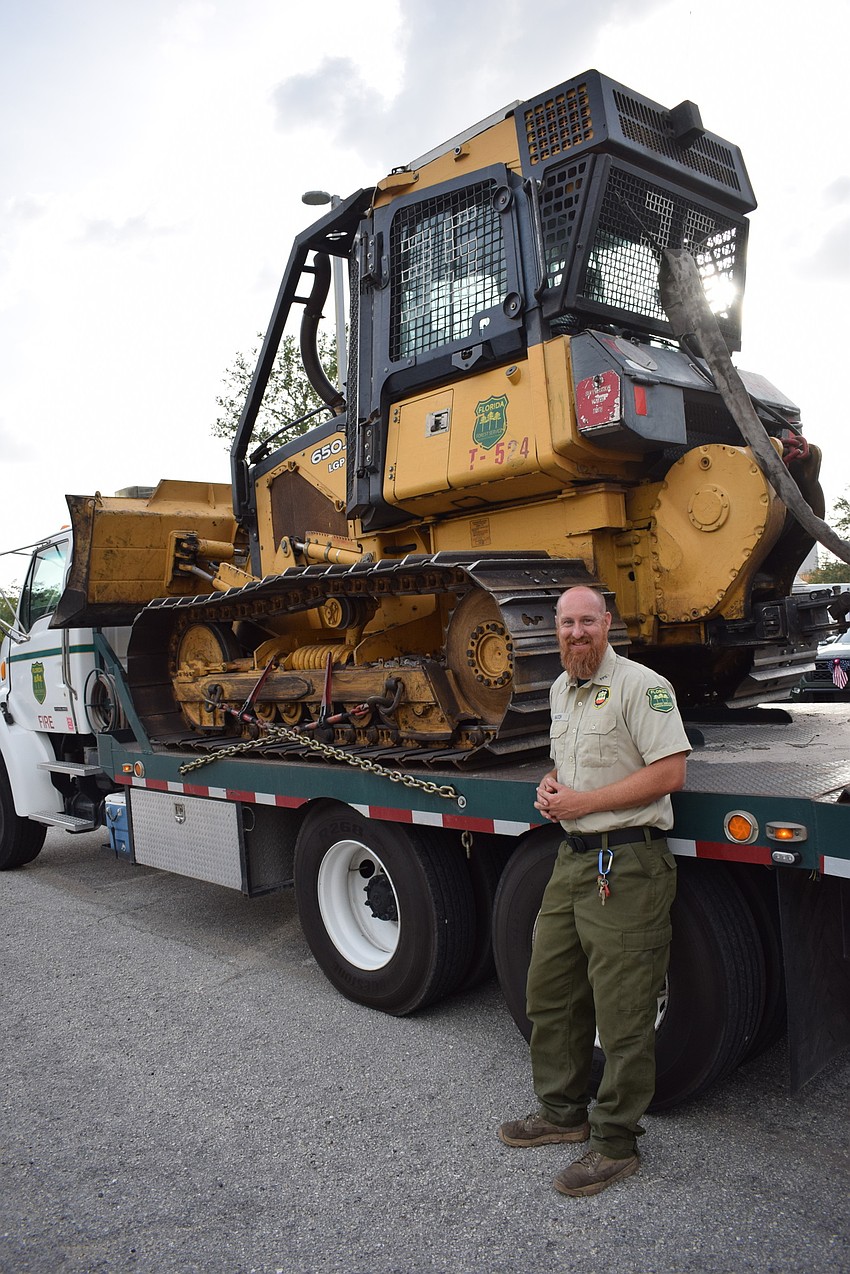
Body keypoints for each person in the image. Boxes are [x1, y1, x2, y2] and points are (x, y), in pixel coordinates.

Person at [498, 585, 690, 1197]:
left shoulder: (643, 684)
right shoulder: (561, 689)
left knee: (623, 1009)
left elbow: (670, 772)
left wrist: (583, 802)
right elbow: (577, 764)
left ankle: (615, 1143)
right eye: (565, 623)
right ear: (553, 630)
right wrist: (554, 788)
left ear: (607, 624)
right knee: (549, 990)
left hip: (628, 863)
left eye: (586, 621)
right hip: (573, 859)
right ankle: (561, 1114)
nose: (575, 633)